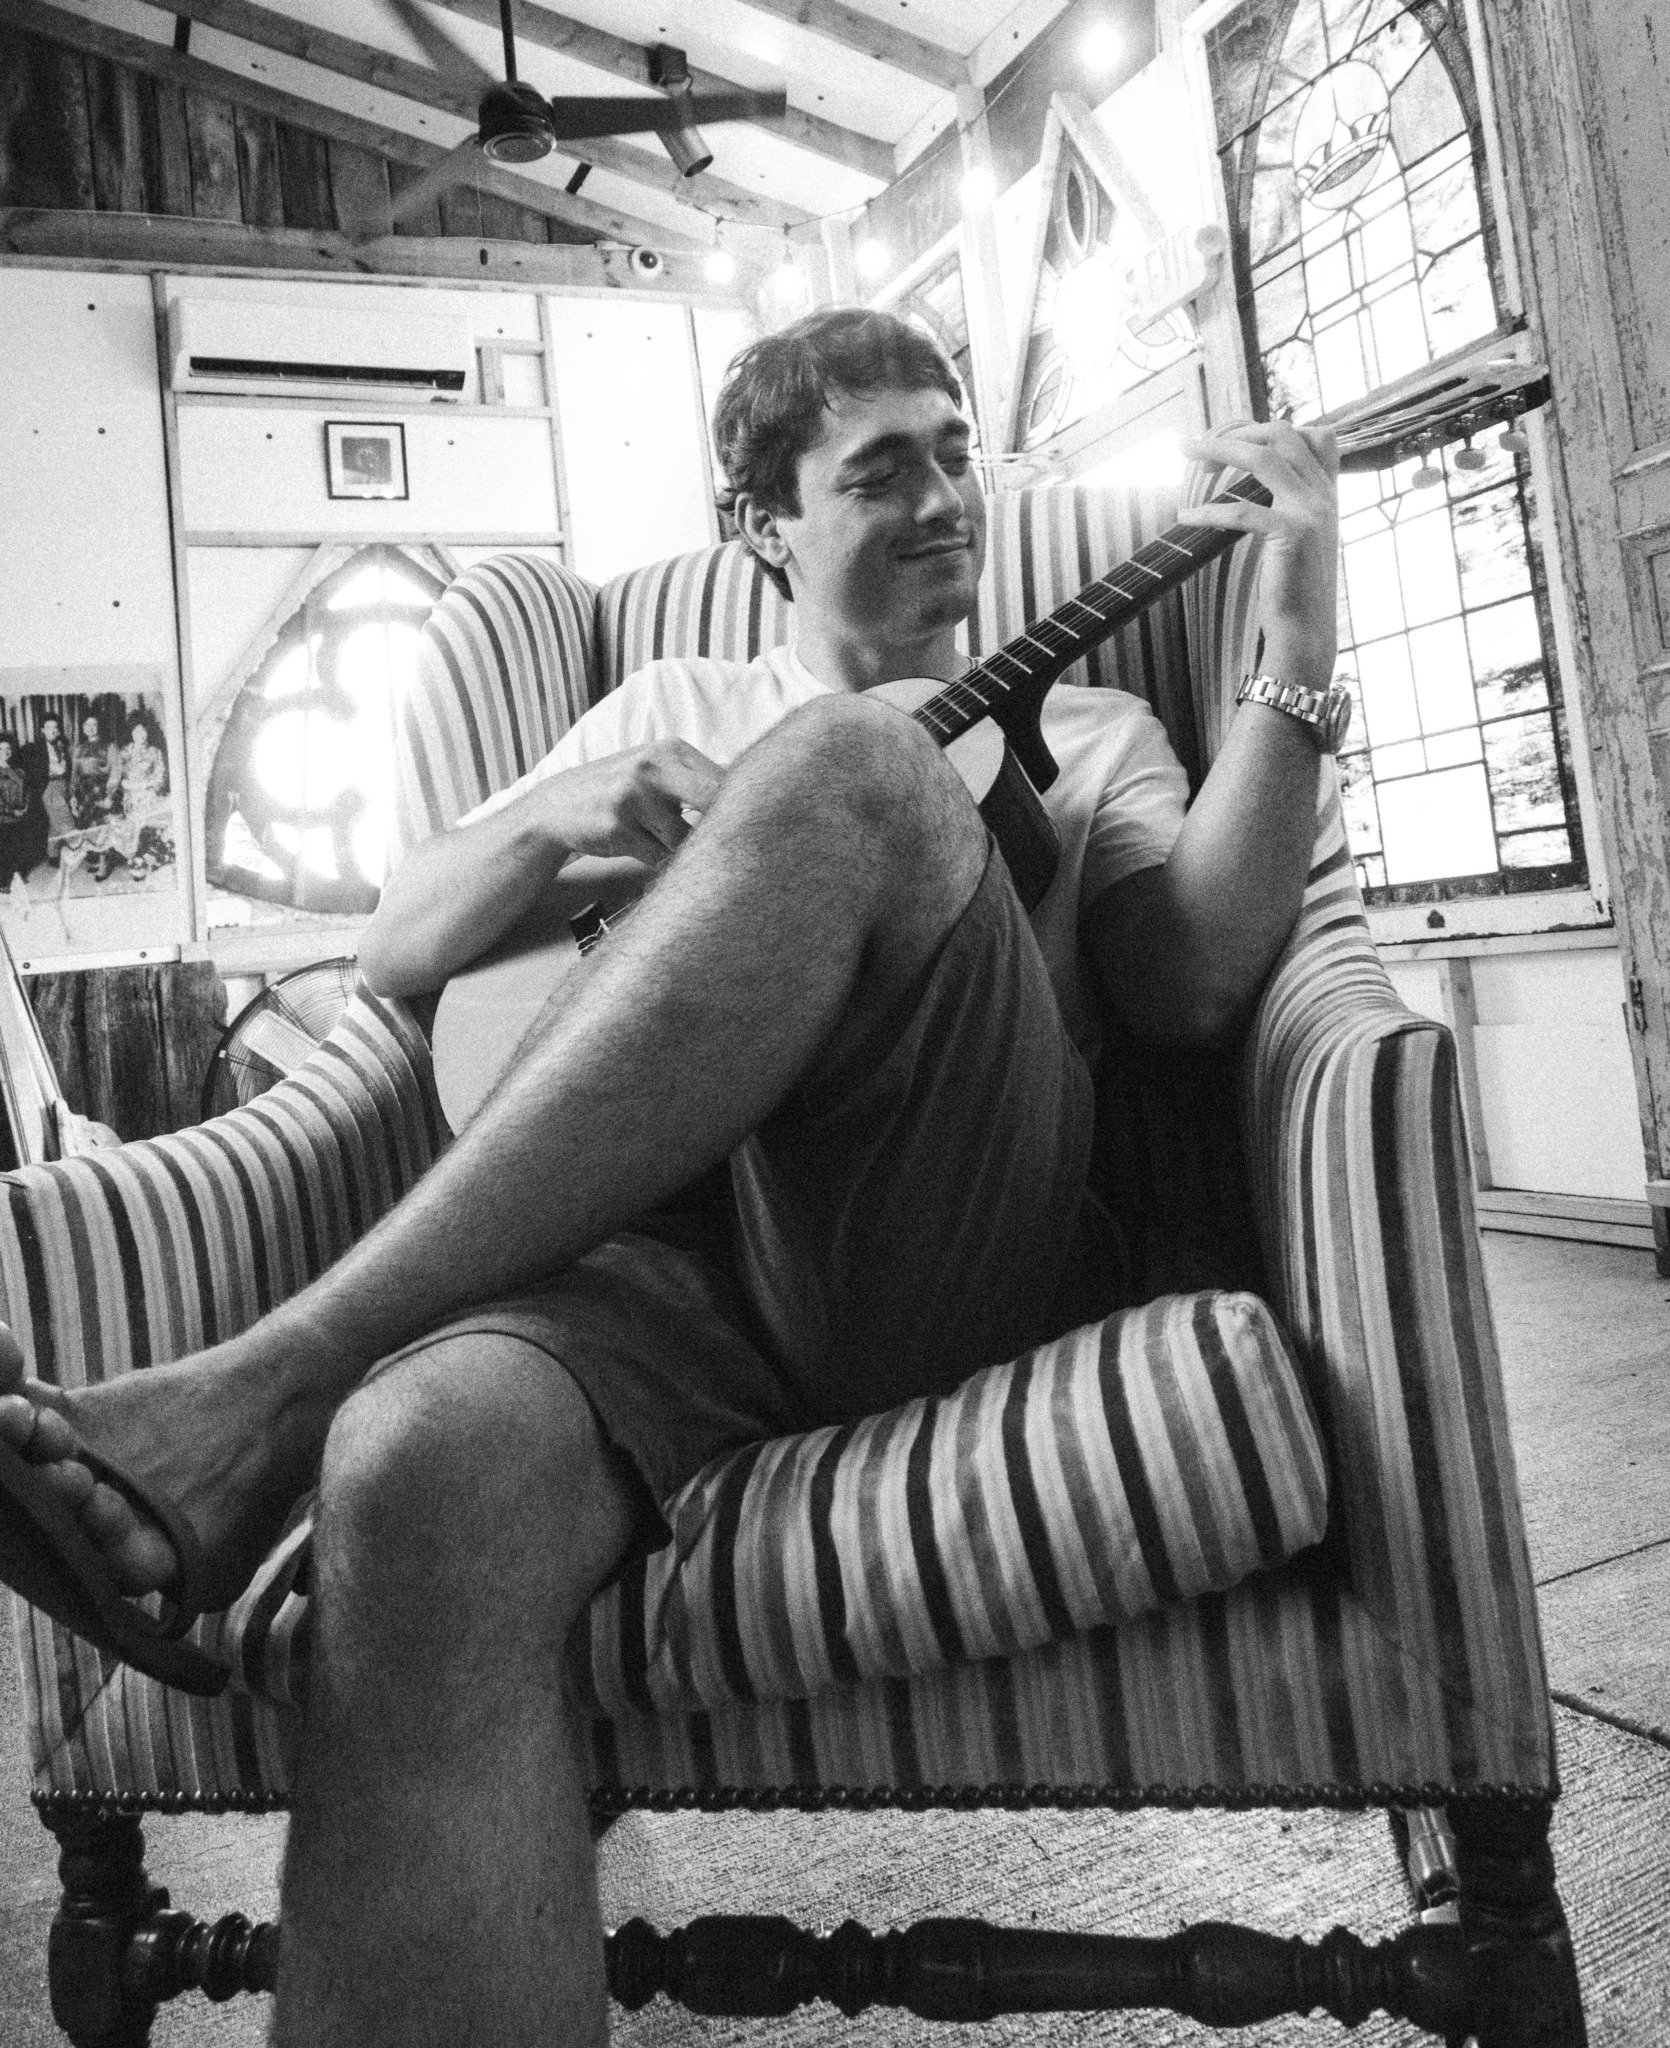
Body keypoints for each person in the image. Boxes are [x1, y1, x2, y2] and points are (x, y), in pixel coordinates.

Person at [0, 309, 1340, 2048]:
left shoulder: (1089, 728)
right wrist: (565, 816)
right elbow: (399, 950)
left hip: (937, 1233)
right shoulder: (663, 707)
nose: (944, 499)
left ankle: (260, 1394)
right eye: (880, 471)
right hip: (657, 1266)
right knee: (413, 1464)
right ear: (759, 526)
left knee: (859, 760)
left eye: (955, 453)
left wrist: (1295, 627)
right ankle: (327, 1415)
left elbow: (1194, 980)